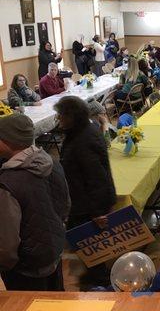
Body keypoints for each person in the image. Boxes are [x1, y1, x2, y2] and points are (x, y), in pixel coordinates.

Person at [0, 114, 70, 291]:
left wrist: (6, 265)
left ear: (7, 141)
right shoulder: (53, 163)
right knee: (56, 301)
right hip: (53, 250)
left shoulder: (8, 183)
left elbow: (7, 244)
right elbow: (65, 205)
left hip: (26, 267)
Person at [54, 96, 115, 287]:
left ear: (71, 116)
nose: (58, 119)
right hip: (83, 203)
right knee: (89, 250)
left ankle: (101, 287)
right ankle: (96, 280)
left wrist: (97, 212)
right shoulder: (85, 131)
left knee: (92, 250)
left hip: (86, 207)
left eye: (61, 115)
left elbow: (96, 178)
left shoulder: (83, 140)